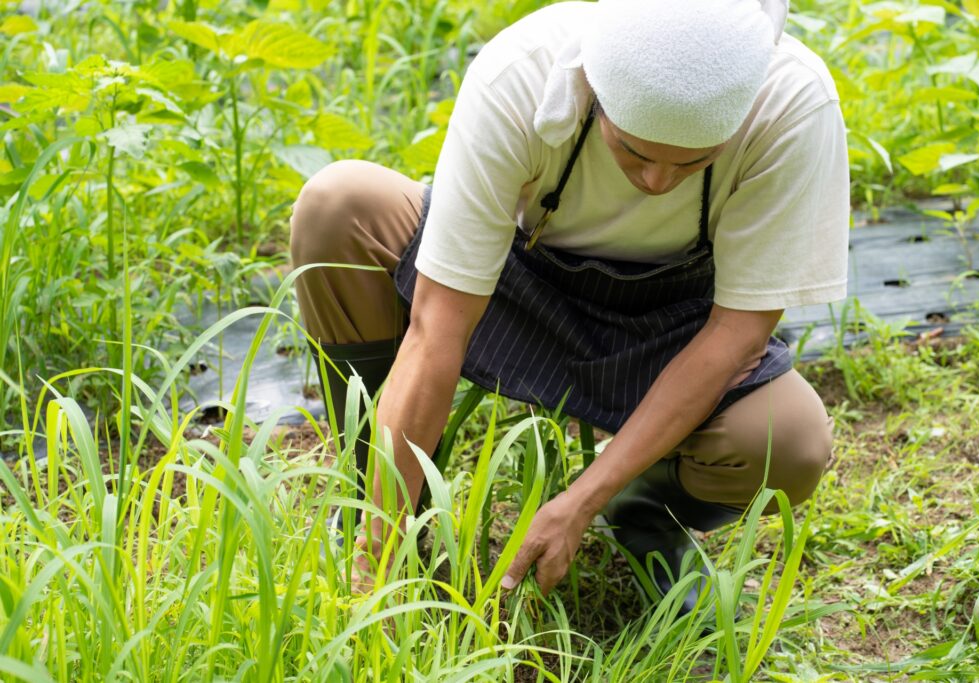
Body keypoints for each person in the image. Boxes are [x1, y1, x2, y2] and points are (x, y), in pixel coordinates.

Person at [289, 0, 848, 608]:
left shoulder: (794, 104)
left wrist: (583, 499)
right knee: (338, 205)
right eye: (633, 151)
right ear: (592, 90)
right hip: (517, 284)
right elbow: (435, 330)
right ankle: (391, 512)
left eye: (693, 161)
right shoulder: (522, 73)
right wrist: (373, 567)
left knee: (789, 443)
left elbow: (735, 334)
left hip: (672, 325)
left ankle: (639, 511)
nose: (658, 181)